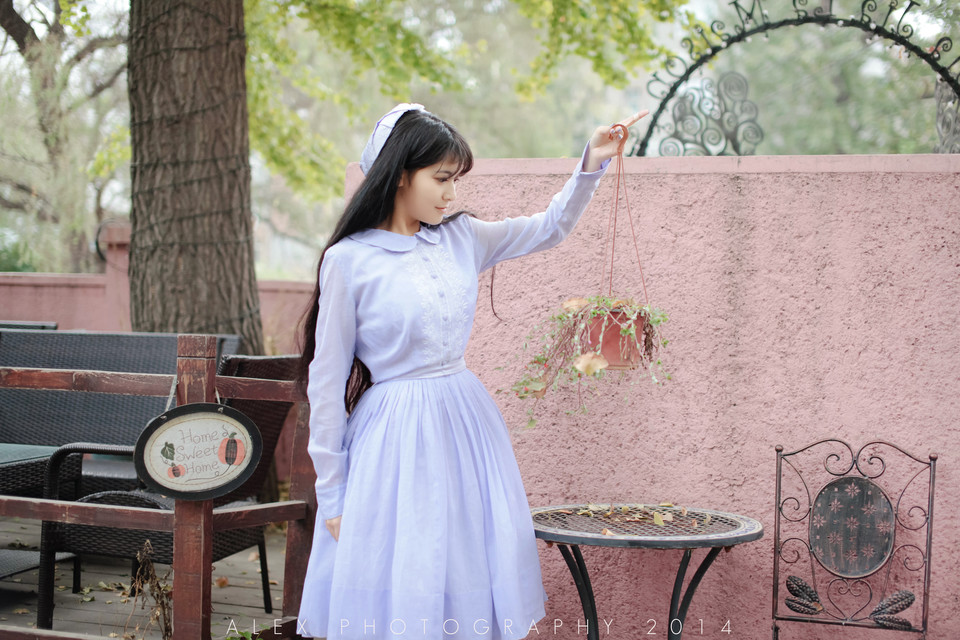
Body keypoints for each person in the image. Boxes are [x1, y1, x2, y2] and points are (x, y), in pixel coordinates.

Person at [296, 103, 649, 639]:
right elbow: (325, 385)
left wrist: (591, 164)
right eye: (441, 179)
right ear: (398, 176)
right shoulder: (349, 260)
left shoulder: (461, 238)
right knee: (406, 577)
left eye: (455, 179)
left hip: (465, 428)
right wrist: (334, 495)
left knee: (463, 566)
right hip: (393, 443)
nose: (451, 194)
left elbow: (549, 228)